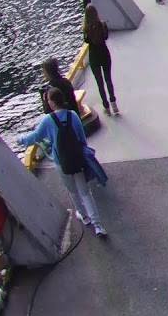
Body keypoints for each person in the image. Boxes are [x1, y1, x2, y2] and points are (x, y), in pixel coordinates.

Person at [18, 87, 108, 237]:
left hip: (62, 162)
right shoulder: (72, 115)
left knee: (73, 192)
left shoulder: (48, 120)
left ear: (53, 102)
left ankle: (83, 217)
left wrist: (21, 140)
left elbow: (34, 137)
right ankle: (97, 225)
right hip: (77, 159)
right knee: (85, 192)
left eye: (48, 100)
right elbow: (82, 138)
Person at [83, 3, 118, 116]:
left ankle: (106, 106)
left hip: (94, 57)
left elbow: (87, 41)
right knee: (108, 80)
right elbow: (106, 37)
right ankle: (114, 103)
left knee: (100, 83)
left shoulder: (86, 29)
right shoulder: (102, 24)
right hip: (104, 54)